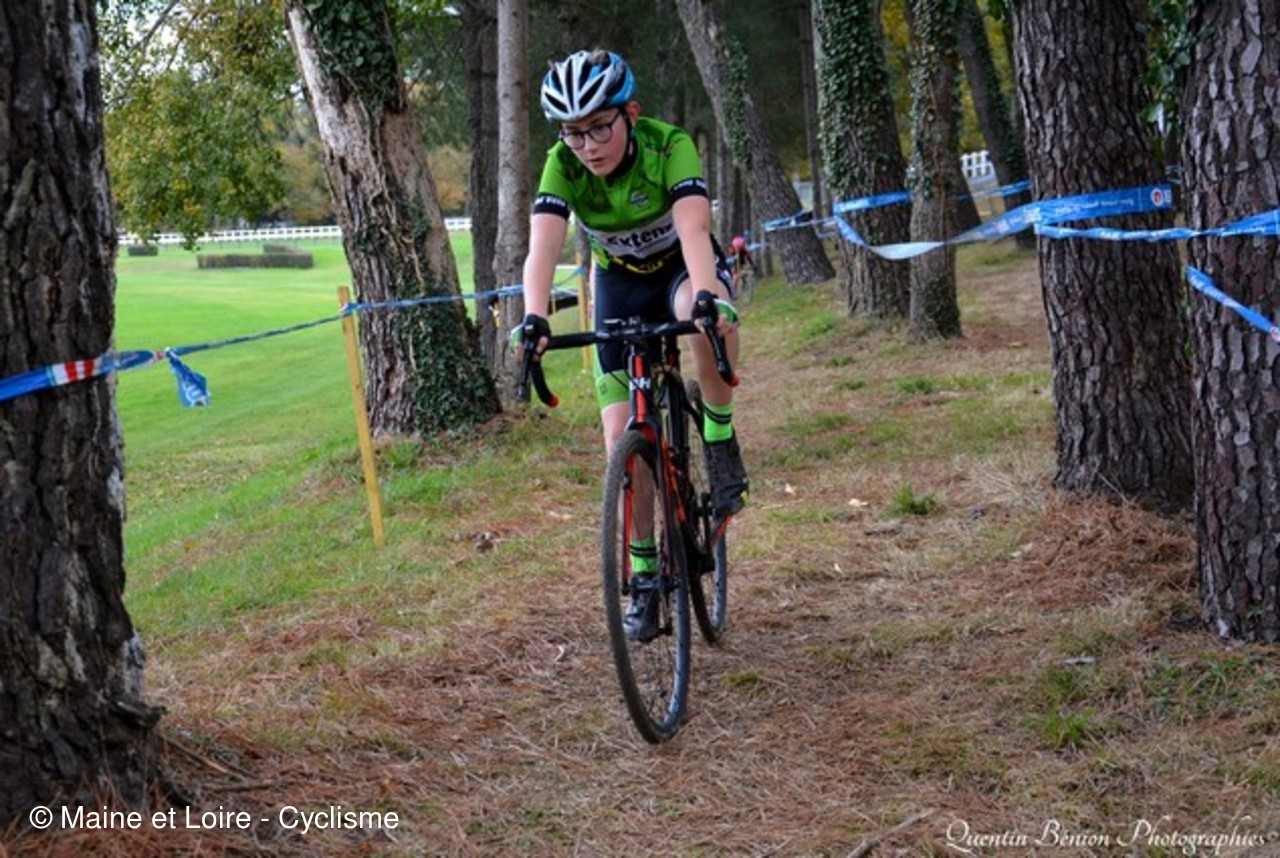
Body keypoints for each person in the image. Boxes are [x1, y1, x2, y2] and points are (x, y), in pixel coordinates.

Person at [519, 49, 748, 641]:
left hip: (681, 269)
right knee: (621, 445)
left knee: (700, 315)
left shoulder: (669, 146)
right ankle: (644, 576)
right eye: (573, 132)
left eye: (600, 127)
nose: (588, 145)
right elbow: (542, 248)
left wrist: (709, 296)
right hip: (619, 284)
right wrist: (535, 316)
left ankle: (719, 437)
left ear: (631, 114)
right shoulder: (561, 164)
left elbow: (695, 230)